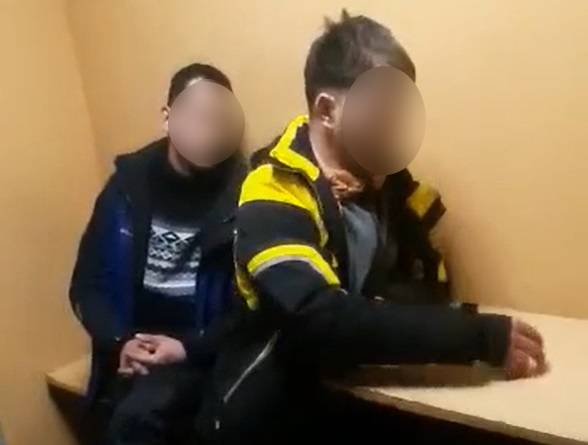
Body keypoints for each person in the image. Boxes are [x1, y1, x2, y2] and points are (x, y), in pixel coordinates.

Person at [196, 11, 547, 444]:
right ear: (328, 110)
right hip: (270, 418)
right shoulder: (273, 188)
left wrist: (379, 311)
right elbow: (319, 320)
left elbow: (429, 291)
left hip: (358, 404)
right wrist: (478, 336)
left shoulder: (393, 189)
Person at [69, 62, 245, 445]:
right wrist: (121, 341)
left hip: (200, 359)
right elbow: (86, 286)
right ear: (168, 118)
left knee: (137, 419)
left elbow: (249, 312)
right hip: (129, 351)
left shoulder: (244, 196)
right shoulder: (125, 189)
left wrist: (187, 349)